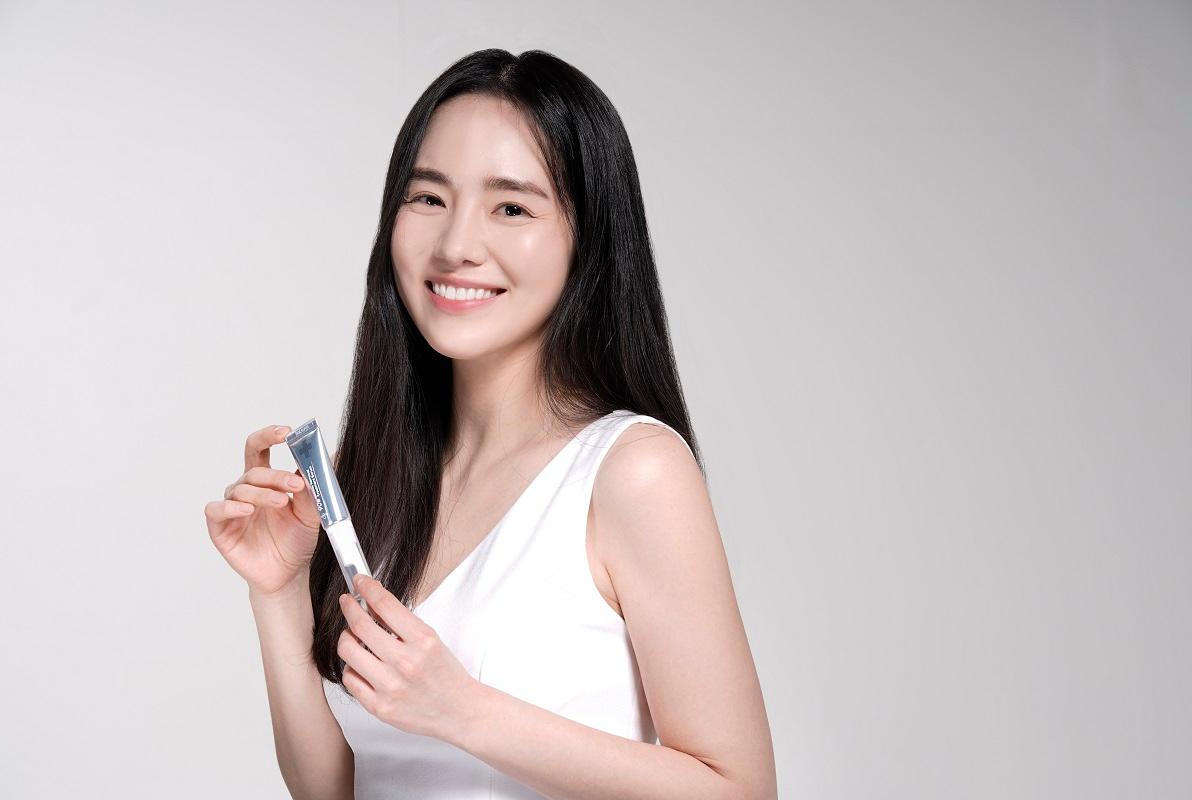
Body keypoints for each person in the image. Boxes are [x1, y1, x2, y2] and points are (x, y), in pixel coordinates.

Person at [205, 48, 776, 800]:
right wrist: (278, 594)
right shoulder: (374, 479)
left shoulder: (632, 472)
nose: (455, 247)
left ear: (587, 241)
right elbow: (339, 789)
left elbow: (740, 789)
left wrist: (465, 712)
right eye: (428, 198)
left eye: (512, 208)